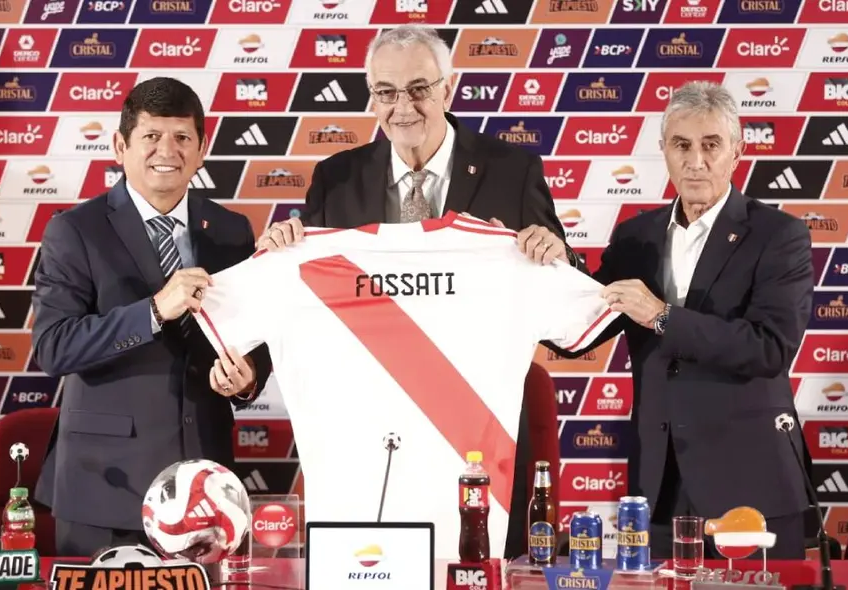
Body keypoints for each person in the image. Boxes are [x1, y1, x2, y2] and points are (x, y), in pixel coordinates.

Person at [259, 24, 577, 558]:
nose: (402, 106)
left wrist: (556, 257)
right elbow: (309, 306)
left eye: (419, 89)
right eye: (386, 92)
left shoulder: (512, 171)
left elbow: (560, 298)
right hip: (368, 432)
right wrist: (283, 249)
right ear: (371, 97)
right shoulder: (335, 179)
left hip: (475, 428)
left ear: (448, 89)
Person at [30, 77, 272, 557]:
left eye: (183, 137)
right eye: (151, 137)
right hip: (104, 489)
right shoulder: (75, 230)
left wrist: (248, 379)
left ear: (202, 148)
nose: (168, 150)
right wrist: (155, 310)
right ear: (121, 146)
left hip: (207, 490)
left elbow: (253, 343)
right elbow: (53, 347)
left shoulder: (230, 230)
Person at [574, 81, 812, 559]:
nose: (695, 160)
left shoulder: (779, 236)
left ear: (737, 151)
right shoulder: (635, 237)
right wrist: (536, 264)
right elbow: (585, 324)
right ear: (663, 150)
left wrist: (662, 316)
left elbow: (769, 347)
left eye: (711, 145)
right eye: (681, 145)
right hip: (657, 488)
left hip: (750, 482)